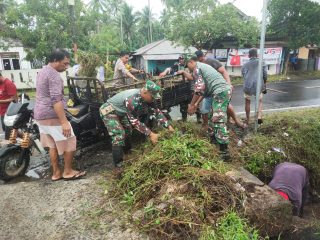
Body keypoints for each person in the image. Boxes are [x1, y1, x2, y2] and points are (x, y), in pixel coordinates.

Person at [34, 49, 86, 181]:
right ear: (55, 61)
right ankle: (68, 171)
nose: (66, 66)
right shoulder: (54, 76)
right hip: (51, 116)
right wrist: (64, 122)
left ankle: (56, 173)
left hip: (40, 115)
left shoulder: (42, 71)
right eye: (65, 63)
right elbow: (56, 100)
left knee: (52, 145)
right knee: (70, 140)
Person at [100, 80, 174, 167]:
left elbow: (156, 112)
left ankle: (127, 153)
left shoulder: (146, 98)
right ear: (145, 92)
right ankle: (118, 164)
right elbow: (135, 122)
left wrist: (169, 126)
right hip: (109, 110)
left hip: (121, 112)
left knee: (127, 130)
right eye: (152, 97)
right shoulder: (131, 100)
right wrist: (151, 134)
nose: (153, 99)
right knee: (119, 134)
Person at [184, 56, 232, 160]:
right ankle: (213, 139)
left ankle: (224, 152)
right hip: (219, 91)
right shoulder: (202, 67)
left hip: (220, 91)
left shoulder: (197, 69)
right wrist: (196, 103)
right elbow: (204, 91)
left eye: (187, 65)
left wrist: (191, 105)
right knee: (211, 116)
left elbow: (199, 90)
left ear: (191, 62)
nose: (187, 68)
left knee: (218, 119)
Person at [195, 50, 246, 129]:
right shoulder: (197, 67)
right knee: (205, 109)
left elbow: (224, 72)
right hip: (208, 90)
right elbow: (199, 85)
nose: (200, 61)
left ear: (202, 57)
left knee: (226, 105)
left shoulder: (211, 61)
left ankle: (236, 121)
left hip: (219, 88)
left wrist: (229, 84)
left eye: (201, 59)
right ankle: (205, 125)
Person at [159, 55, 201, 122]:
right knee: (183, 104)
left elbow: (192, 77)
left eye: (182, 59)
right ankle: (184, 120)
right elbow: (169, 68)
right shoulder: (177, 66)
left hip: (192, 88)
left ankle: (199, 119)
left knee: (193, 104)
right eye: (180, 59)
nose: (181, 60)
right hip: (182, 88)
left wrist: (184, 73)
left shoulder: (191, 66)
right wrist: (165, 72)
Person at [241, 48, 267, 125]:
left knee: (247, 102)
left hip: (248, 86)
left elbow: (243, 74)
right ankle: (259, 116)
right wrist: (264, 84)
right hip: (258, 85)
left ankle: (248, 119)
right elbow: (265, 75)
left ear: (249, 55)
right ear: (257, 55)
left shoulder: (245, 64)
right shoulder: (262, 62)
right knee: (259, 101)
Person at [0, 72, 17, 139]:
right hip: (2, 112)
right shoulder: (0, 84)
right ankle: (28, 139)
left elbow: (14, 99)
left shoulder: (8, 83)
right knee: (7, 130)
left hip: (9, 112)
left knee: (8, 135)